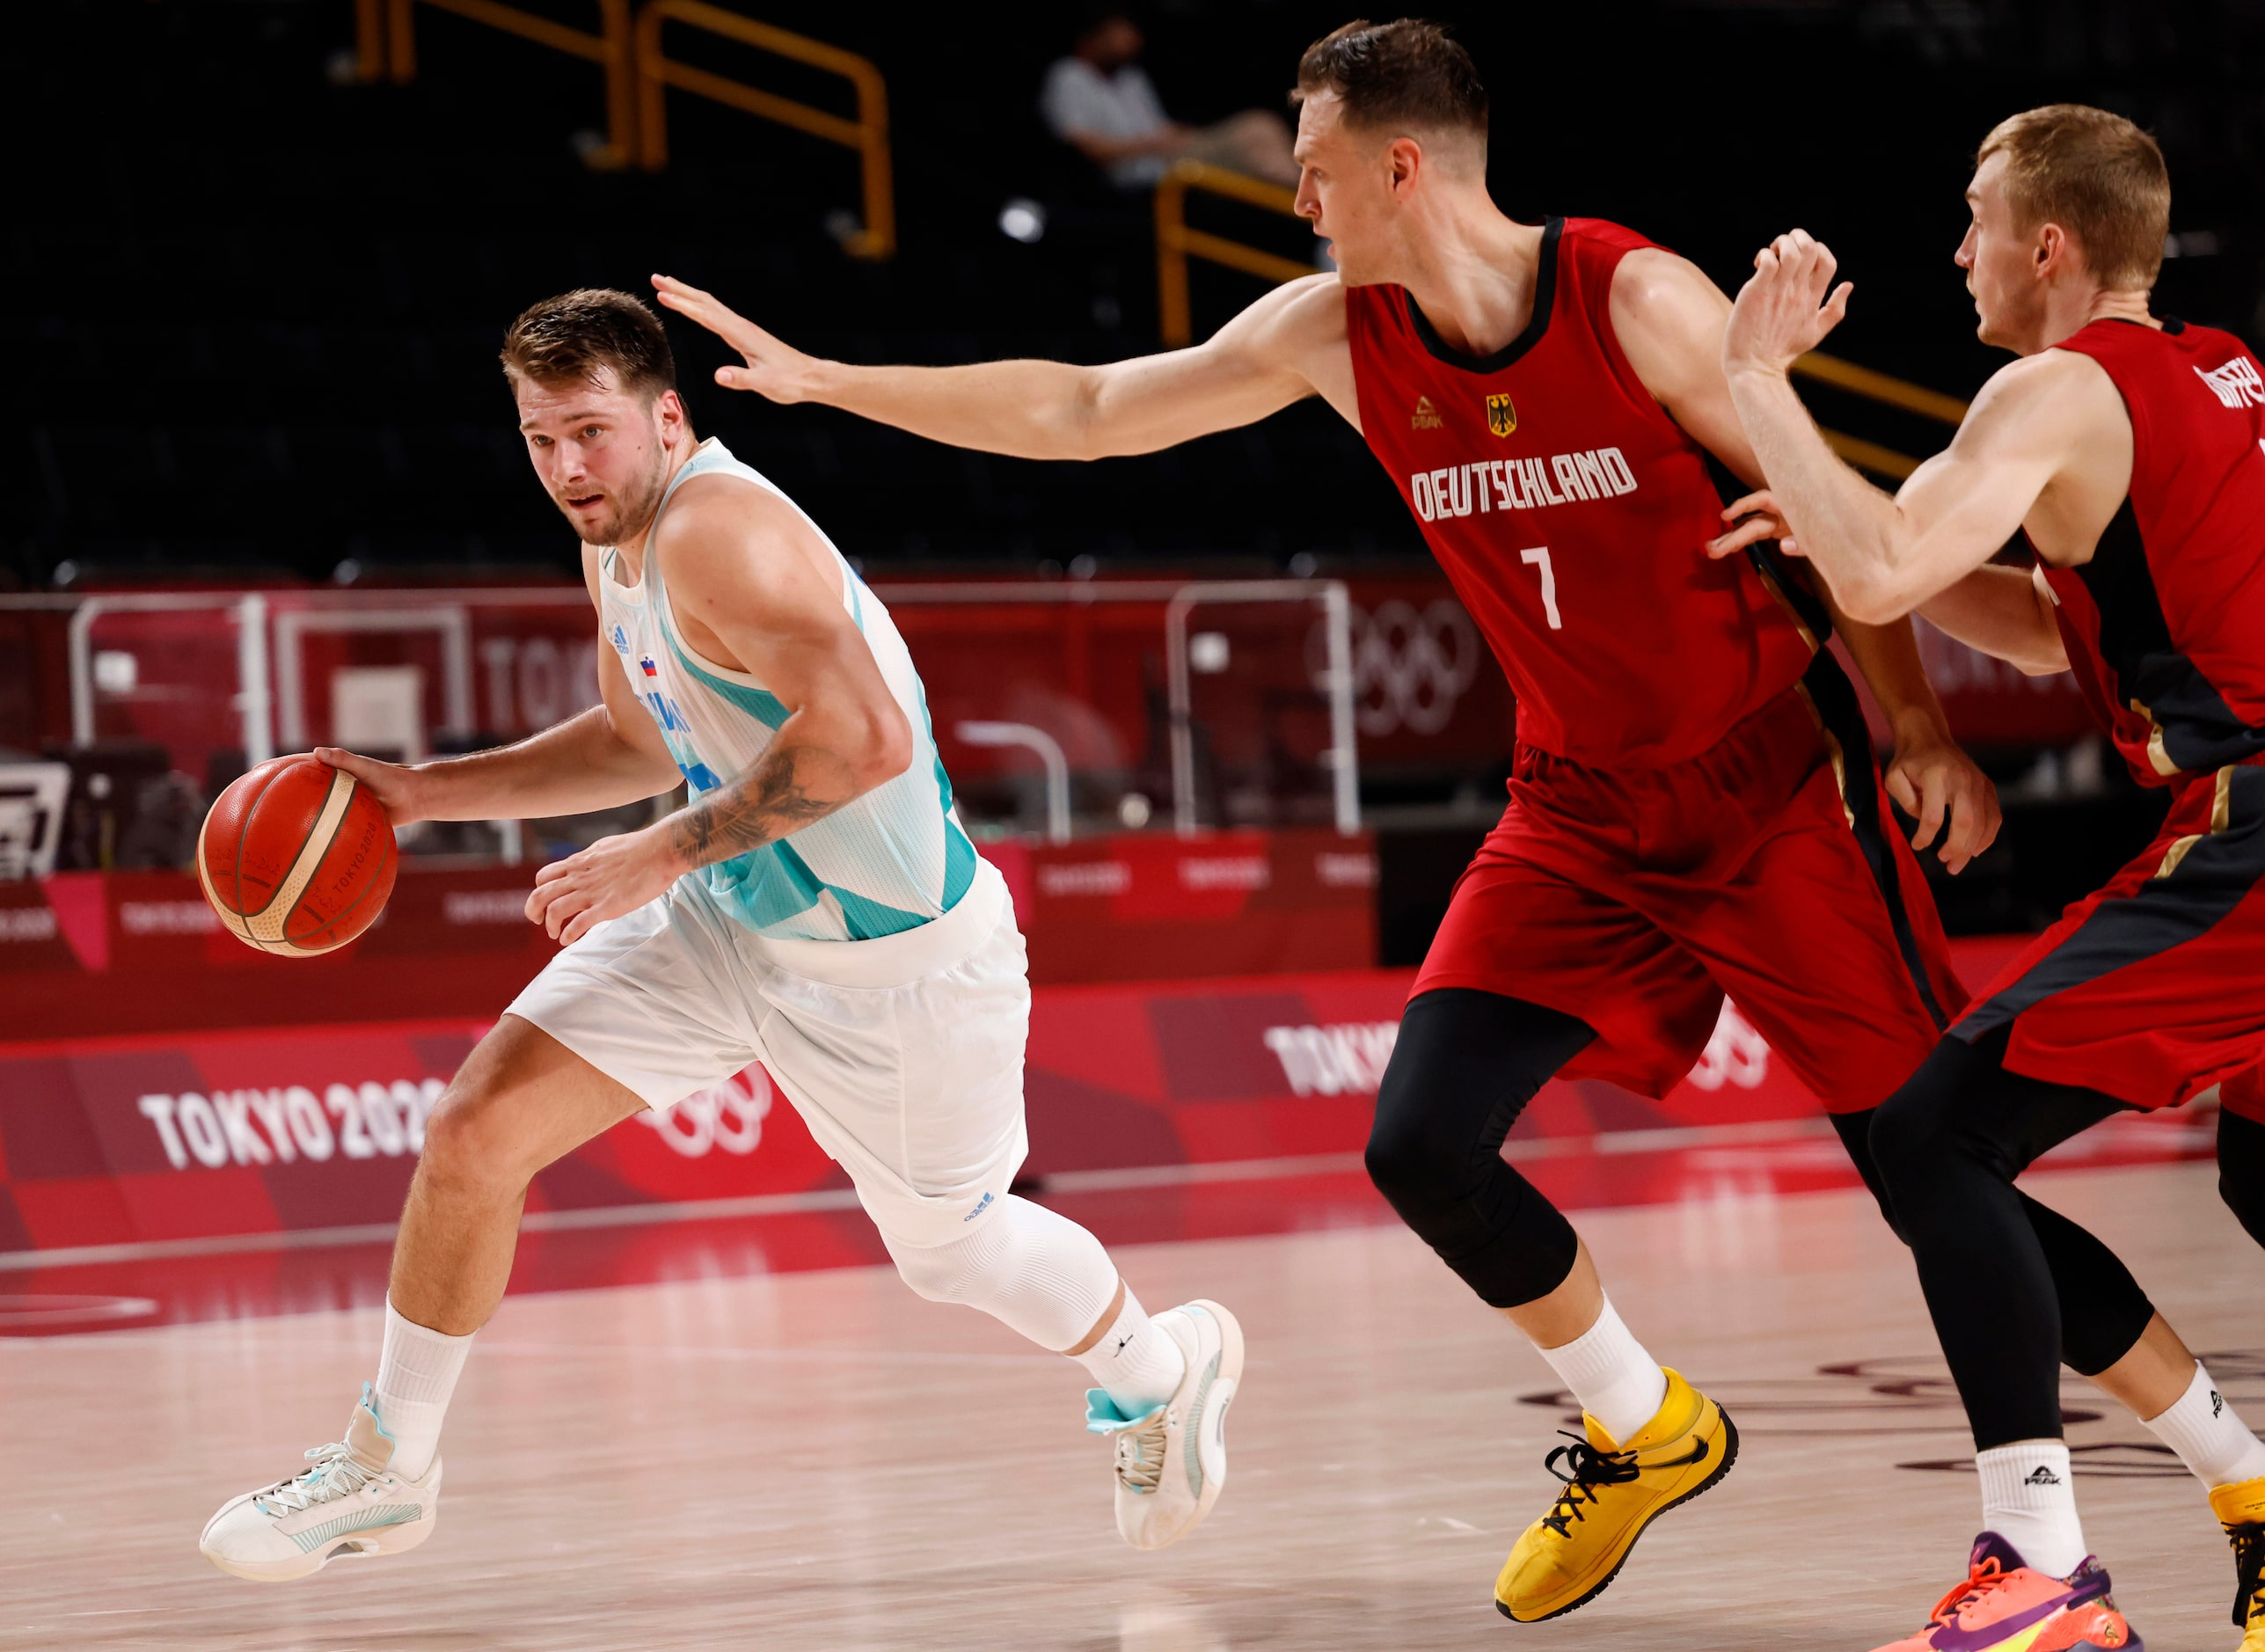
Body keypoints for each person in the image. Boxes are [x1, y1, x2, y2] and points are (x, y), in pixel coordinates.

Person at [654, 20, 2217, 1625]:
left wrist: (1917, 725)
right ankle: (1646, 1424)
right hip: (1577, 809)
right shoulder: (1339, 331)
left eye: (1316, 168)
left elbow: (1827, 516)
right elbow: (1091, 406)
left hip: (1766, 789)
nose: (1298, 200)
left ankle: (2226, 1464)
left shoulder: (1638, 298)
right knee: (1419, 1141)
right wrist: (832, 382)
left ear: (1402, 164)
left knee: (1927, 1165)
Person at [196, 289, 1245, 1582]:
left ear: (665, 416)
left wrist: (658, 851)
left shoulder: (718, 530)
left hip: (893, 965)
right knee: (475, 1130)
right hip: (735, 914)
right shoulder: (614, 538)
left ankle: (1160, 1367)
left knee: (955, 1254)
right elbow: (641, 733)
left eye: (591, 432)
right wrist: (428, 790)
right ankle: (387, 1463)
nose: (569, 467)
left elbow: (867, 741)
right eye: (541, 440)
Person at [1719, 103, 2265, 1652]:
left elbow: (1886, 568)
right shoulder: (2221, 370)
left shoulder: (2057, 385)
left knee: (1934, 1134)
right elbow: (2060, 622)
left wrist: (1763, 386)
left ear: (2048, 245)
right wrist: (1859, 544)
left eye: (1974, 221)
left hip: (2251, 833)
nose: (1955, 251)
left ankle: (2039, 1563)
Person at [1041, 11, 1298, 191]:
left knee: (1261, 127)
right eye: (1117, 37)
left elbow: (1158, 127)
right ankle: (1313, 205)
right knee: (1255, 131)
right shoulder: (1068, 76)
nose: (1129, 44)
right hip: (1144, 169)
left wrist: (1180, 135)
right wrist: (1152, 144)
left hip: (1168, 153)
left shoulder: (1131, 78)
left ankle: (1310, 202)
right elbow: (1090, 148)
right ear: (1092, 38)